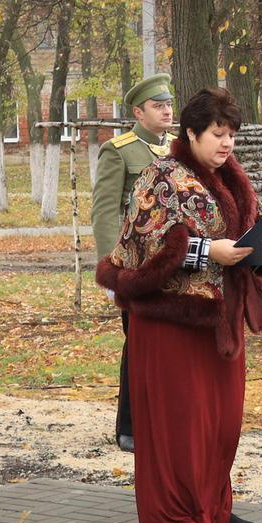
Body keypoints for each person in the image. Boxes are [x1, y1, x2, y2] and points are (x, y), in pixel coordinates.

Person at [98, 87, 262, 523]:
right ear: (191, 132)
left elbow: (246, 237)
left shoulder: (231, 177)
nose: (227, 144)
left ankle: (213, 505)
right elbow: (144, 247)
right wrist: (208, 251)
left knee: (221, 422)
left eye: (231, 136)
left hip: (220, 320)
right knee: (177, 423)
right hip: (171, 322)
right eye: (217, 134)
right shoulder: (160, 176)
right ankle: (172, 517)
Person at [92, 73, 177, 453]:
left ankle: (166, 420)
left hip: (175, 266)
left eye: (169, 105)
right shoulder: (120, 151)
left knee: (170, 347)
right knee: (139, 344)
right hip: (135, 268)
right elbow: (106, 212)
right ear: (138, 112)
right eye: (158, 106)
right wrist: (113, 269)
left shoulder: (177, 149)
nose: (167, 111)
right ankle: (130, 425)